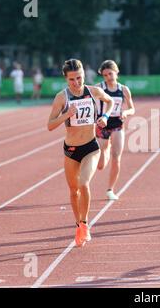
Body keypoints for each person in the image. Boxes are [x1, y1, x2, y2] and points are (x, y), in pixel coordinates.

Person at [47, 59, 114, 247]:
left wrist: (105, 117)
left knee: (83, 183)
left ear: (84, 74)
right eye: (72, 80)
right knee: (73, 190)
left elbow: (109, 102)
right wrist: (66, 115)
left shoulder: (94, 92)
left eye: (79, 78)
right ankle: (78, 225)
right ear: (66, 80)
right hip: (70, 150)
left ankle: (84, 224)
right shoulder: (62, 98)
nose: (76, 83)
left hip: (91, 147)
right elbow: (50, 125)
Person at [95, 60, 135, 200]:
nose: (108, 77)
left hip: (117, 123)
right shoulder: (99, 88)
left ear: (116, 72)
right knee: (100, 165)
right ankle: (105, 149)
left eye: (110, 74)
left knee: (116, 158)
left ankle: (110, 190)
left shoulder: (123, 89)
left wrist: (126, 113)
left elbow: (132, 108)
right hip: (102, 124)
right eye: (105, 75)